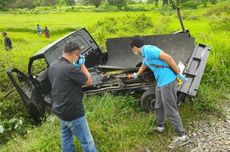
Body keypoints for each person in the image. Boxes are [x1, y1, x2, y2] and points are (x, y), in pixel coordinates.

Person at [129, 36, 189, 149]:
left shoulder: (150, 50)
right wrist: (137, 74)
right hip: (160, 82)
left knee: (171, 109)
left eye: (132, 49)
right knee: (158, 105)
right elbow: (145, 64)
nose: (133, 51)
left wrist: (178, 74)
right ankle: (160, 127)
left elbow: (169, 58)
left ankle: (182, 137)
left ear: (135, 47)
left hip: (168, 81)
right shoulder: (145, 53)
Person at [48, 42, 97, 152]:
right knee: (87, 141)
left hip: (60, 110)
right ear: (75, 56)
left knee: (66, 139)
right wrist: (82, 65)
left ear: (64, 52)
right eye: (78, 57)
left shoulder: (53, 66)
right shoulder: (70, 69)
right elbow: (89, 82)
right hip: (73, 112)